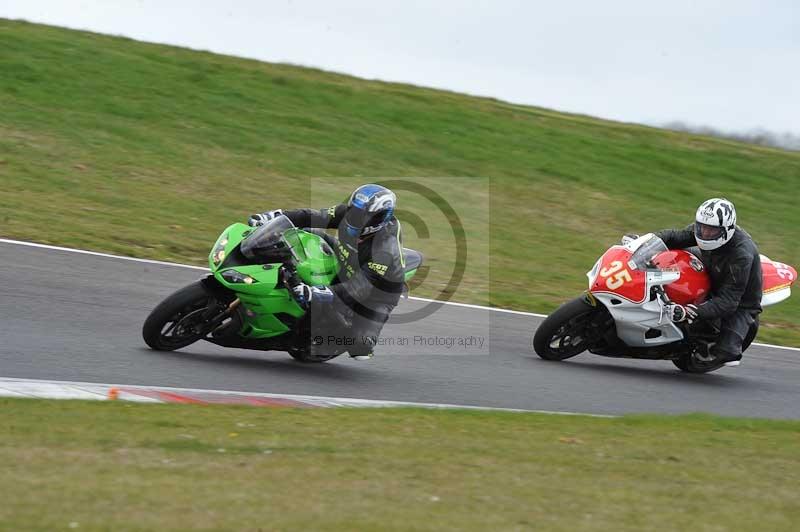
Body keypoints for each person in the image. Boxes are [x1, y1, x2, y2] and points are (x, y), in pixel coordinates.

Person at [248, 184, 405, 360]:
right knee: (304, 234)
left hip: (377, 291)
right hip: (346, 257)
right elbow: (312, 216)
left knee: (360, 347)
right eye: (355, 212)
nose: (356, 218)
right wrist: (274, 216)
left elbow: (356, 289)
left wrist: (315, 292)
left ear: (379, 219)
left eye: (363, 217)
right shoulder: (346, 213)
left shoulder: (385, 251)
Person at [655, 197, 762, 367]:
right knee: (669, 256)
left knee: (728, 354)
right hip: (711, 269)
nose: (705, 233)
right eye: (701, 227)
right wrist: (645, 241)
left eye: (712, 230)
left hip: (739, 302)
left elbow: (729, 301)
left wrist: (690, 312)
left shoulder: (741, 254)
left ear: (727, 230)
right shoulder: (703, 231)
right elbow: (675, 236)